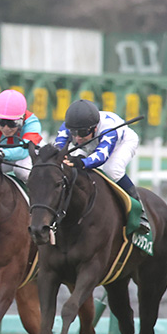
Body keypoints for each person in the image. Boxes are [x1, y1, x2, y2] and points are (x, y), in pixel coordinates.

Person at [56, 99, 150, 233]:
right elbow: (58, 148)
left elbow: (101, 156)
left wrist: (81, 162)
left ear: (95, 128)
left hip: (121, 143)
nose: (77, 138)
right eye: (74, 133)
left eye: (82, 133)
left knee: (112, 170)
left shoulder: (108, 128)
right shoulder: (69, 126)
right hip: (91, 144)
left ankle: (140, 213)